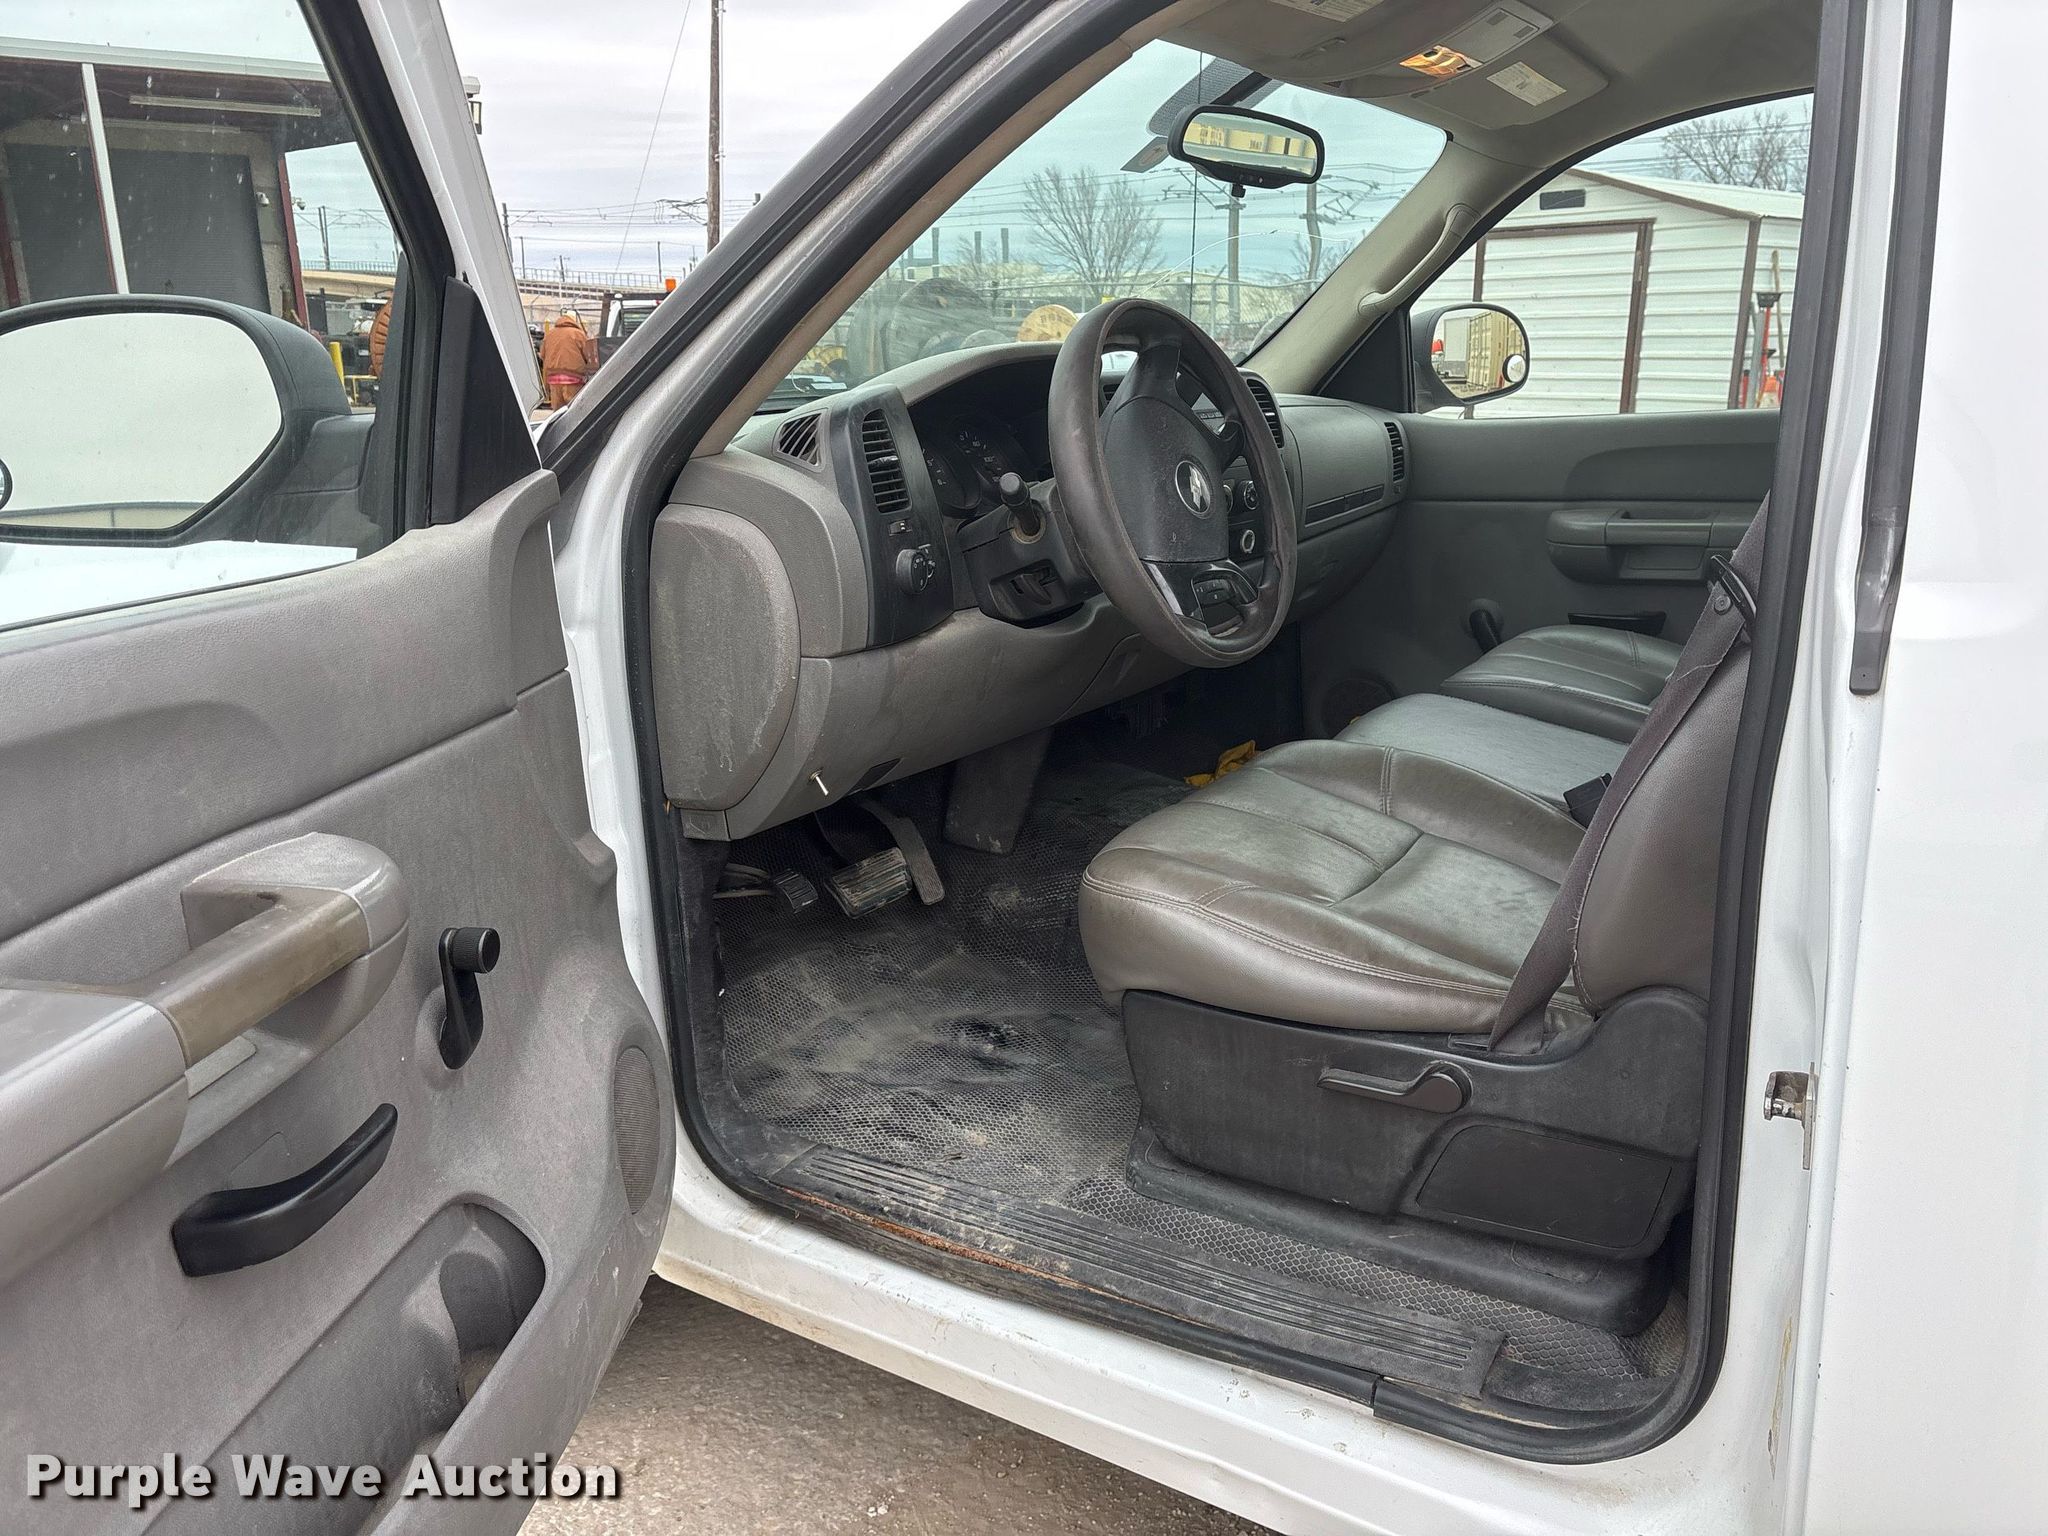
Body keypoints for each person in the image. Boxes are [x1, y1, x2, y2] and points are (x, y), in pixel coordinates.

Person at [540, 310, 598, 409]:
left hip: (554, 381)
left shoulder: (549, 335)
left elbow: (543, 356)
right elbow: (588, 356)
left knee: (558, 413)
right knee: (574, 410)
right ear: (574, 321)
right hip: (574, 380)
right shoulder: (578, 334)